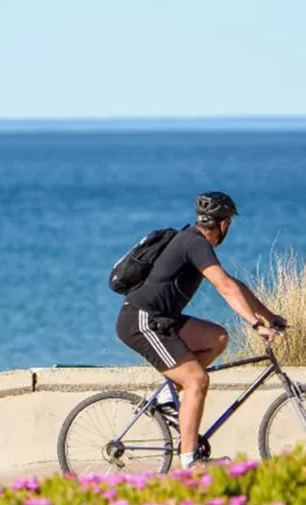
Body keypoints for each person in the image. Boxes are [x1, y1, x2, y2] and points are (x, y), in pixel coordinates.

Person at [115, 192, 286, 468]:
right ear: (223, 223)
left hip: (163, 320)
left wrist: (269, 316)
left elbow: (233, 284)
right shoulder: (194, 243)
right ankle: (189, 460)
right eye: (228, 221)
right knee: (197, 381)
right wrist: (256, 325)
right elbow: (225, 288)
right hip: (141, 321)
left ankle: (166, 396)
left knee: (217, 337)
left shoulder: (195, 242)